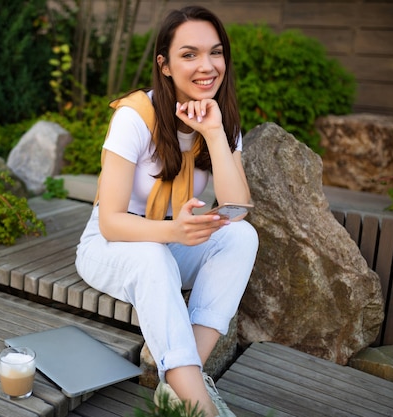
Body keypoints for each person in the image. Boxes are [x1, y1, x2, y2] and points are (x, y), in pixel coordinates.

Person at [75, 5, 258, 417]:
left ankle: (177, 384)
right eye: (189, 54)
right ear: (166, 64)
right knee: (152, 253)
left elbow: (236, 211)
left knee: (241, 237)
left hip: (169, 241)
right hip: (112, 243)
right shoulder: (134, 117)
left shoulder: (221, 120)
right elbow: (110, 220)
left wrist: (213, 133)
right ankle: (200, 406)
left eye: (215, 52)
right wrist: (175, 231)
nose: (206, 66)